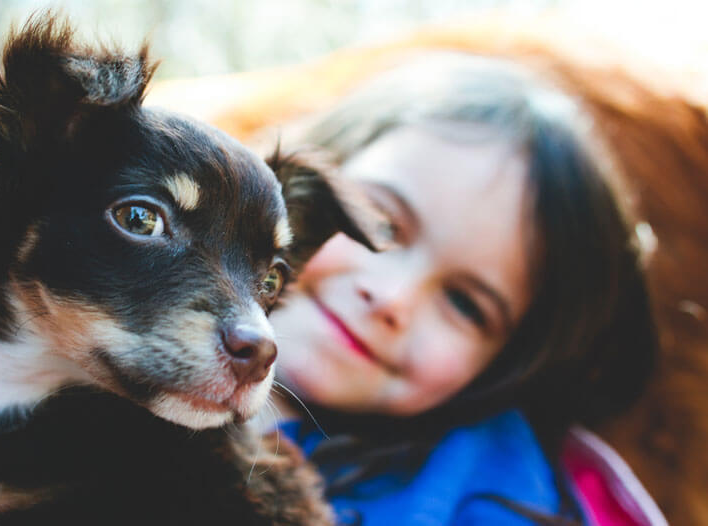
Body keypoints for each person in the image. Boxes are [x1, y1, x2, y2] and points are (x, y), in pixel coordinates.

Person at [258, 52, 660, 525]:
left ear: (503, 367)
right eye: (379, 222)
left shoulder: (488, 500)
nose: (394, 298)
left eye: (465, 305)